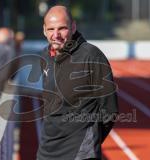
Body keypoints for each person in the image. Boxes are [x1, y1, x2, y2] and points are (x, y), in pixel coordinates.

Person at [37, 5, 118, 160]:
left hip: (81, 154)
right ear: (44, 30)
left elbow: (110, 110)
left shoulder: (92, 56)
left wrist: (89, 140)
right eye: (51, 29)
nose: (56, 35)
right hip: (47, 151)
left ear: (73, 27)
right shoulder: (44, 56)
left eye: (62, 28)